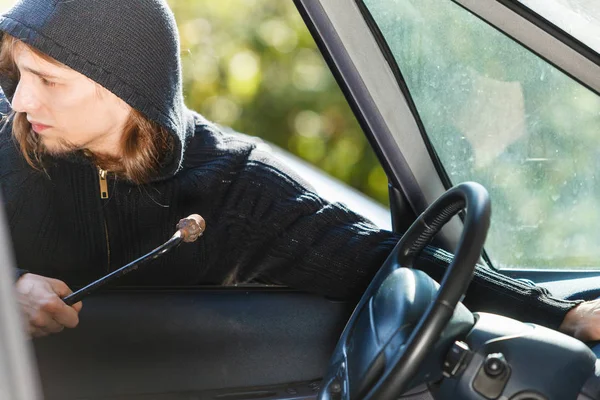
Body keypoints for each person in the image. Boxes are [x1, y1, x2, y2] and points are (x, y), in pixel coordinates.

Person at [0, 0, 596, 342]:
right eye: (18, 72)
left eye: (47, 81)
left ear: (127, 88)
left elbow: (389, 261)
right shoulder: (8, 150)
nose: (21, 101)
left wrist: (560, 312)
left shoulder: (237, 185)